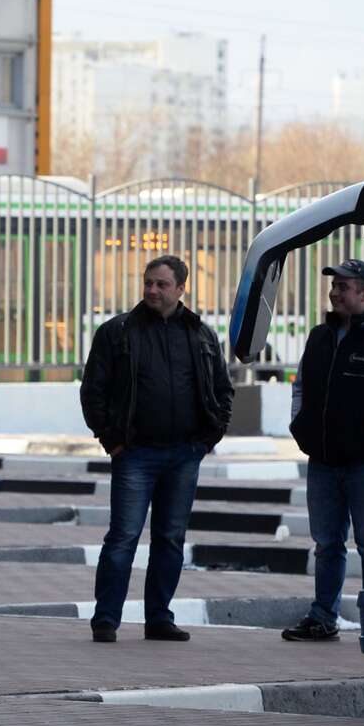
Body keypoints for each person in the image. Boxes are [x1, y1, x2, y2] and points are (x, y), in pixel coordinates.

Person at [79, 255, 234, 643]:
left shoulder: (200, 334)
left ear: (181, 289)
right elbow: (92, 391)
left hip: (184, 454)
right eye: (148, 282)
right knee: (124, 536)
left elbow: (222, 389)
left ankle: (159, 618)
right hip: (135, 453)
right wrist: (112, 439)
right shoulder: (118, 332)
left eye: (161, 284)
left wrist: (208, 438)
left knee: (170, 538)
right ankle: (106, 618)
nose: (152, 290)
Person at [282, 259, 364, 643]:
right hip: (322, 460)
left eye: (343, 286)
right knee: (326, 543)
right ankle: (323, 617)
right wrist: (300, 426)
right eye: (334, 286)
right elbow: (301, 386)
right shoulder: (319, 336)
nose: (335, 292)